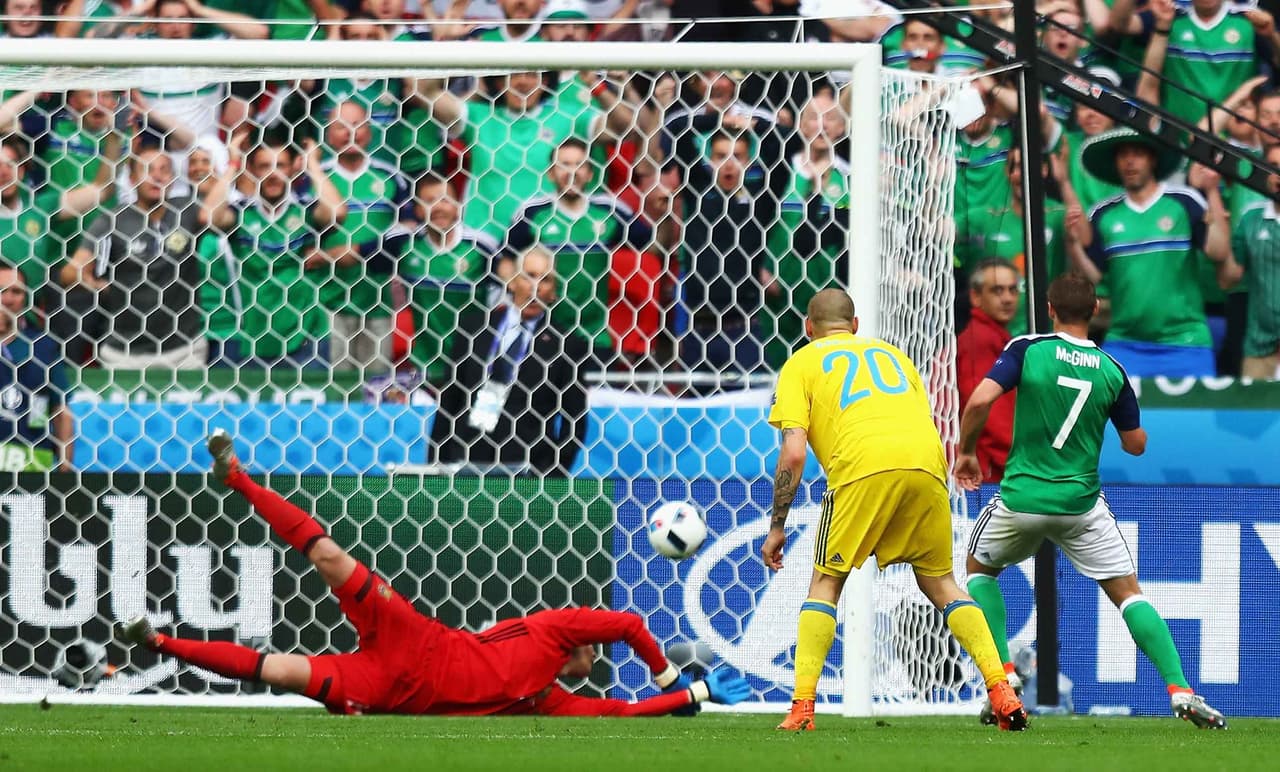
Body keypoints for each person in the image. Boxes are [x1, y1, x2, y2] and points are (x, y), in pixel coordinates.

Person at [117, 429, 752, 717]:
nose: (593, 651)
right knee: (329, 556)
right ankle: (239, 479)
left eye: (594, 651)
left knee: (279, 670)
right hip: (414, 638)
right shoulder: (556, 629)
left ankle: (157, 641)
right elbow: (629, 624)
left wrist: (690, 698)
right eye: (593, 646)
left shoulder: (546, 700)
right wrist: (671, 674)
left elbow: (619, 715)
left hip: (393, 692)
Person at [955, 272, 1228, 729]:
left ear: (1049, 309)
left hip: (1021, 499)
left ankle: (1003, 675)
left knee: (979, 571)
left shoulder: (1027, 348)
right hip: (1080, 507)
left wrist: (966, 453)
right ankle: (1180, 690)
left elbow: (980, 401)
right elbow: (1135, 445)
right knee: (1129, 595)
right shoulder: (1111, 370)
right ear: (1096, 310)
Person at [761, 288, 1026, 732]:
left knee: (826, 583)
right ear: (855, 326)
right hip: (926, 464)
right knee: (942, 583)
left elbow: (793, 453)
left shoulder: (801, 363)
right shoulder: (894, 356)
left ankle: (802, 707)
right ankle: (1001, 689)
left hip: (861, 466)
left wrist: (777, 526)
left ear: (808, 328)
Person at [1073, 128, 1232, 377]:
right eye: (1123, 155)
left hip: (1186, 343)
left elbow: (1219, 252)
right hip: (1124, 345)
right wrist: (1072, 243)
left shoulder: (1184, 201)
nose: (1130, 161)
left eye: (1137, 153)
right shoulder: (1103, 214)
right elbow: (1093, 277)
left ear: (1153, 159)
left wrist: (1212, 191)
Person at [428, 246, 600, 476]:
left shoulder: (567, 345)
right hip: (466, 460)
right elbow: (449, 401)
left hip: (528, 470)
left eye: (545, 280)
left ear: (554, 292)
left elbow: (574, 422)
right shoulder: (473, 328)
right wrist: (437, 466)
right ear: (512, 282)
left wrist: (550, 478)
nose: (536, 287)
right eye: (529, 276)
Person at [201, 136, 347, 368]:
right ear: (252, 171)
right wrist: (233, 165)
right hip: (253, 339)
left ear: (292, 169)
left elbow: (337, 213)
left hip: (307, 340)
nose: (273, 174)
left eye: (280, 166)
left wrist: (313, 166)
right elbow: (208, 217)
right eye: (264, 166)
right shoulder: (242, 214)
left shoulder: (306, 212)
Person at [63, 146, 208, 369]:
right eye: (148, 170)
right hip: (123, 353)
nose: (157, 176)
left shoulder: (188, 210)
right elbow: (70, 272)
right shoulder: (113, 220)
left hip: (184, 350)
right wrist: (94, 284)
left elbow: (220, 215)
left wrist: (232, 166)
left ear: (172, 179)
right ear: (132, 179)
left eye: (164, 170)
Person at [506, 137, 650, 351]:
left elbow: (653, 246)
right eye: (564, 164)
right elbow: (505, 260)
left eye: (579, 165)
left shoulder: (609, 210)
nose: (572, 172)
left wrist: (665, 213)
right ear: (551, 173)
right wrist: (520, 296)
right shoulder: (532, 213)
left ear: (590, 174)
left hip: (595, 338)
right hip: (542, 337)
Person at [0, 260, 73, 472]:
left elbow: (61, 412)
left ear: (25, 297)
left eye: (16, 292)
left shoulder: (42, 346)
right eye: (1, 291)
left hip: (32, 468)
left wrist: (65, 474)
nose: (8, 299)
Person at [956, 259, 1020, 483]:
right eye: (997, 290)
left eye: (1013, 290)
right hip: (989, 474)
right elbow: (987, 413)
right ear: (975, 297)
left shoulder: (994, 337)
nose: (1007, 298)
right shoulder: (980, 340)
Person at [1222, 142, 1280, 381]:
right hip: (1259, 349)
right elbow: (1228, 279)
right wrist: (1220, 226)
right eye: (1273, 167)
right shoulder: (1250, 219)